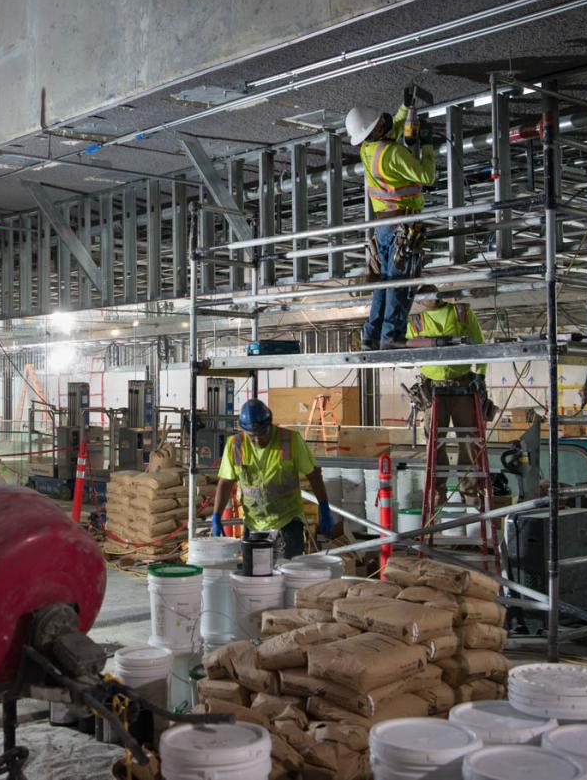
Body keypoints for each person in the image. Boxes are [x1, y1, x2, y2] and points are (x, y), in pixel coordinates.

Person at [345, 97, 437, 350]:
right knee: (399, 283)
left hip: (387, 225)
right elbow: (427, 176)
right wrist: (427, 145)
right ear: (374, 129)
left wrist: (406, 107)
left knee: (386, 284)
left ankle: (373, 335)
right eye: (379, 120)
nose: (384, 119)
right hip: (401, 225)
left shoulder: (368, 148)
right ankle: (391, 337)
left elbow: (394, 126)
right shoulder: (393, 152)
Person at [210, 399, 335, 559]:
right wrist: (216, 516)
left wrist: (323, 506)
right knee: (256, 577)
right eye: (252, 436)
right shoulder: (235, 445)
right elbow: (226, 482)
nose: (257, 440)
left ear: (270, 424)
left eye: (262, 434)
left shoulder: (290, 441)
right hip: (254, 524)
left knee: (286, 575)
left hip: (287, 522)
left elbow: (313, 475)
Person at [404, 286, 494, 505]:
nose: (425, 302)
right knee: (435, 443)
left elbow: (480, 345)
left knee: (469, 439)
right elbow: (405, 350)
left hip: (463, 384)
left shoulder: (461, 312)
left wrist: (480, 375)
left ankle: (470, 492)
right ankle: (438, 492)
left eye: (429, 297)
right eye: (421, 299)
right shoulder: (415, 321)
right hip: (433, 388)